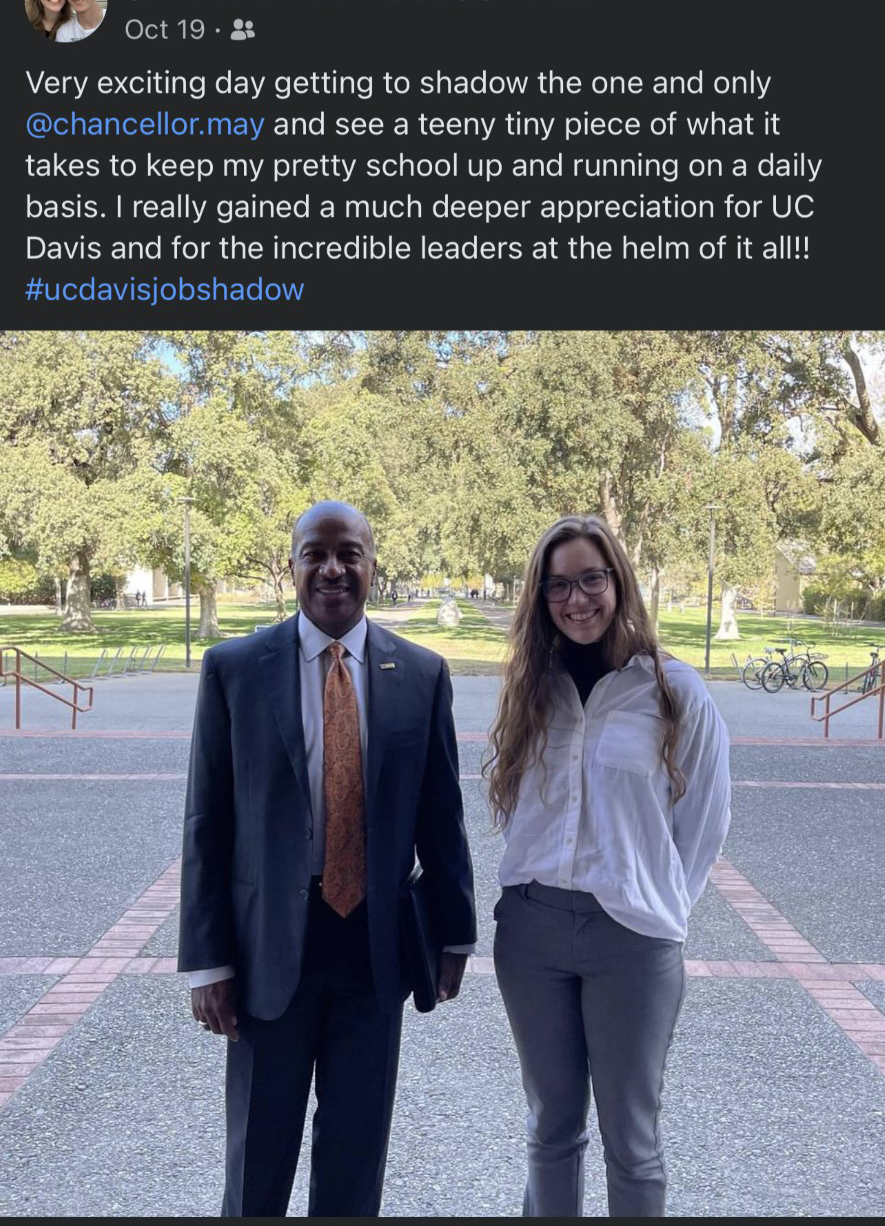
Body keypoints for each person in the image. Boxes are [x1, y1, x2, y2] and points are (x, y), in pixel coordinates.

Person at [179, 500, 476, 1217]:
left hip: (375, 950)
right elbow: (206, 823)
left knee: (354, 1156)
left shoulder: (422, 675)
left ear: (374, 564)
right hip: (266, 953)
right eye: (315, 553)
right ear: (292, 565)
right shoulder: (235, 670)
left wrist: (455, 933)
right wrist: (207, 960)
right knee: (259, 1158)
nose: (333, 568)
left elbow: (442, 815)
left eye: (350, 553)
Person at [485, 514, 730, 1218]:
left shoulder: (673, 692)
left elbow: (703, 823)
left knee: (632, 1138)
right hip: (529, 933)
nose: (577, 598)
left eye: (591, 578)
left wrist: (657, 911)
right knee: (550, 1129)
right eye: (558, 585)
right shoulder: (533, 688)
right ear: (541, 599)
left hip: (632, 938)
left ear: (618, 582)